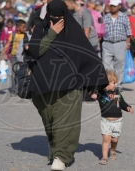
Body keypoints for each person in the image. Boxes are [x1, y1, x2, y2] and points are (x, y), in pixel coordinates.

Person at [28, 0, 108, 170]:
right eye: (52, 16)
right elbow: (35, 51)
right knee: (49, 119)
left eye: (59, 17)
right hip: (44, 85)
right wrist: (51, 33)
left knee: (66, 120)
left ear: (65, 15)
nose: (56, 19)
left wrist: (96, 83)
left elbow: (89, 57)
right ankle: (55, 147)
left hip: (71, 85)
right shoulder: (42, 29)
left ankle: (61, 156)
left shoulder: (74, 32)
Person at [90, 70, 134, 165]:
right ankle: (104, 157)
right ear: (105, 83)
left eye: (116, 83)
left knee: (114, 139)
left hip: (117, 120)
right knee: (106, 139)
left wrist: (128, 107)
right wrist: (93, 94)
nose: (115, 85)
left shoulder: (117, 92)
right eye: (113, 83)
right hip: (106, 120)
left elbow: (122, 103)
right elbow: (93, 95)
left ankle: (113, 150)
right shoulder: (100, 93)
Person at [102, 0, 131, 92]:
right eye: (111, 6)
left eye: (114, 6)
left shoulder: (124, 17)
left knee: (119, 66)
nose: (112, 8)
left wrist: (128, 43)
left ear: (119, 6)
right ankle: (109, 84)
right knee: (106, 65)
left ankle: (118, 85)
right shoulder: (105, 17)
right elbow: (100, 29)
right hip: (107, 44)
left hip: (120, 43)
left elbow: (128, 31)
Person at [0, 19, 26, 96]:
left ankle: (22, 89)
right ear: (18, 28)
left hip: (23, 57)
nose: (25, 29)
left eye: (25, 27)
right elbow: (8, 44)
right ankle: (14, 90)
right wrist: (2, 53)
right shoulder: (13, 35)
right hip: (14, 56)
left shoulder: (25, 35)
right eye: (23, 27)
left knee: (23, 73)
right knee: (14, 73)